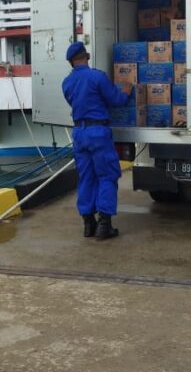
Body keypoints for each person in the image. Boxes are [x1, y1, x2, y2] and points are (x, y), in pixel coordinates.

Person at [61, 41, 132, 240]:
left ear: (71, 62)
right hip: (98, 132)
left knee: (86, 177)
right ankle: (104, 225)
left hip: (79, 133)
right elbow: (116, 100)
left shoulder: (66, 82)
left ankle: (88, 223)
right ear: (87, 56)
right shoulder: (97, 77)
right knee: (107, 176)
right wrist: (126, 91)